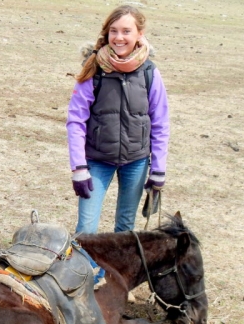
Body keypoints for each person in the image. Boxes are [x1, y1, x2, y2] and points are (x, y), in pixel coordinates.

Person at [66, 5, 169, 234]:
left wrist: (158, 170)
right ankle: (85, 270)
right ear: (107, 33)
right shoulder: (93, 70)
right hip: (97, 161)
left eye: (126, 31)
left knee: (125, 228)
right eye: (114, 31)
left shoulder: (150, 72)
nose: (119, 37)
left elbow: (160, 123)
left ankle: (112, 272)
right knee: (86, 230)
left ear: (139, 35)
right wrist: (79, 168)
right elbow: (75, 121)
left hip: (136, 161)